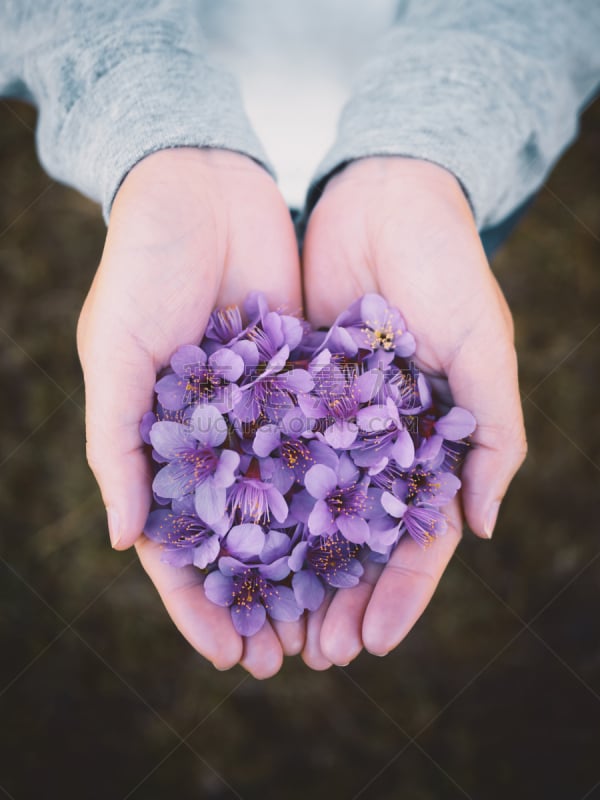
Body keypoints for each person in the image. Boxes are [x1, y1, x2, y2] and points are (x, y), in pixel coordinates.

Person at [1, 0, 598, 679]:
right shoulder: (241, 449)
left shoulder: (337, 435)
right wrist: (152, 124)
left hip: (432, 133)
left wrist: (435, 148)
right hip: (169, 101)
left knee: (460, 232)